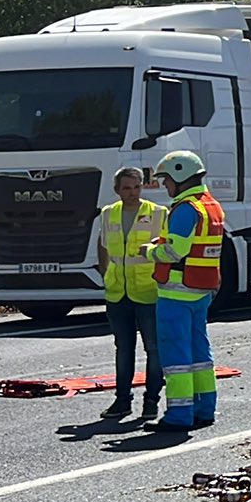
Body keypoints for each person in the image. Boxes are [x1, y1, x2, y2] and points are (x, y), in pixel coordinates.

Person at [146, 151, 227, 430]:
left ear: (180, 176)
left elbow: (174, 251)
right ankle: (205, 409)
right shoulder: (211, 206)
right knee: (200, 354)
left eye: (166, 180)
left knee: (176, 357)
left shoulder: (184, 208)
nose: (164, 186)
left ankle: (178, 415)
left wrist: (151, 251)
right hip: (200, 290)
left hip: (176, 293)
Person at [95, 166, 165, 420]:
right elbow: (102, 246)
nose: (133, 193)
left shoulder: (158, 213)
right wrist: (105, 274)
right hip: (117, 293)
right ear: (117, 190)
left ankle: (151, 401)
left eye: (137, 187)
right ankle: (122, 401)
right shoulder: (108, 213)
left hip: (148, 291)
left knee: (154, 349)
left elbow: (167, 249)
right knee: (123, 348)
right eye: (127, 188)